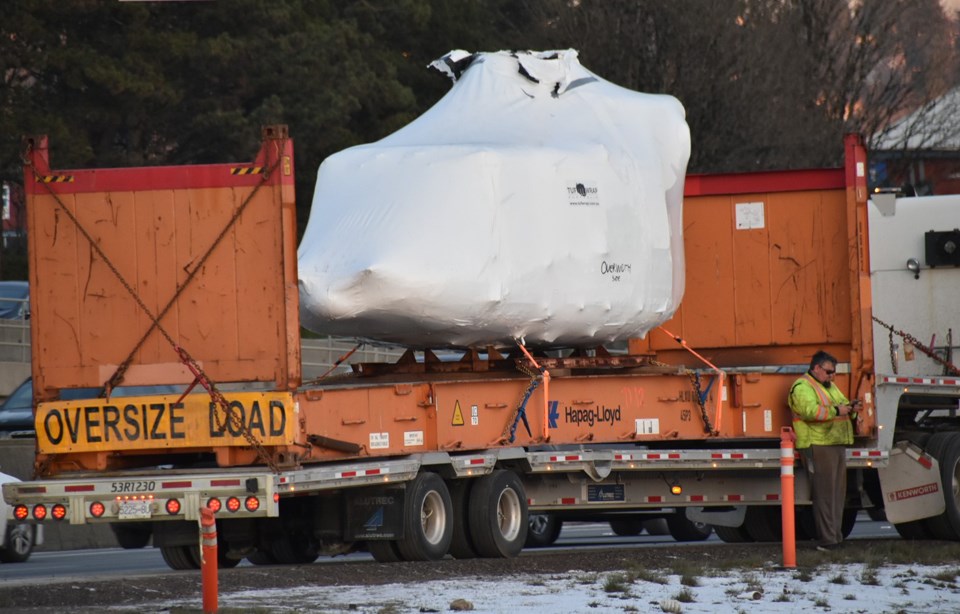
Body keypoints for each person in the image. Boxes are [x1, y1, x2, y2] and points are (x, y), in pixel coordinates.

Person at [788, 350, 859, 551]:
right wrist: (838, 410)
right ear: (816, 368)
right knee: (825, 496)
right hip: (817, 444)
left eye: (833, 372)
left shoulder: (829, 386)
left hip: (835, 443)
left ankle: (835, 538)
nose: (832, 376)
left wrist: (851, 408)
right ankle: (828, 540)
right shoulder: (802, 387)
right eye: (828, 372)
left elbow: (842, 404)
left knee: (837, 495)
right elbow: (810, 411)